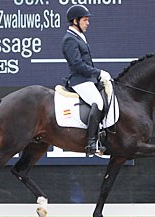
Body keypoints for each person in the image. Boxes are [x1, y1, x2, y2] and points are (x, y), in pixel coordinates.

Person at [62, 5, 112, 156]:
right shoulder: (69, 39)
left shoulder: (79, 36)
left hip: (88, 79)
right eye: (85, 20)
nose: (87, 23)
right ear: (75, 21)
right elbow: (77, 65)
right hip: (80, 80)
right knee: (98, 102)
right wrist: (98, 73)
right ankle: (91, 142)